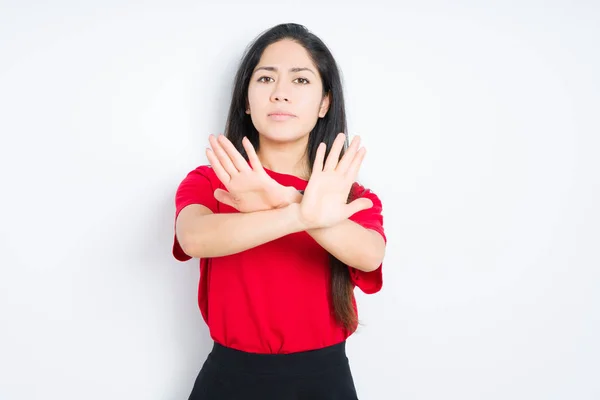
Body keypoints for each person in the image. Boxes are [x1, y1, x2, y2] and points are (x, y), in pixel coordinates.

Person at [172, 23, 386, 400]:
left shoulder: (347, 195)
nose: (281, 94)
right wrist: (299, 213)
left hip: (324, 382)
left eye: (301, 81)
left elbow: (369, 255)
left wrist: (285, 199)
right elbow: (194, 238)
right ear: (246, 99)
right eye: (266, 78)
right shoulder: (212, 180)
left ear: (325, 103)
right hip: (229, 380)